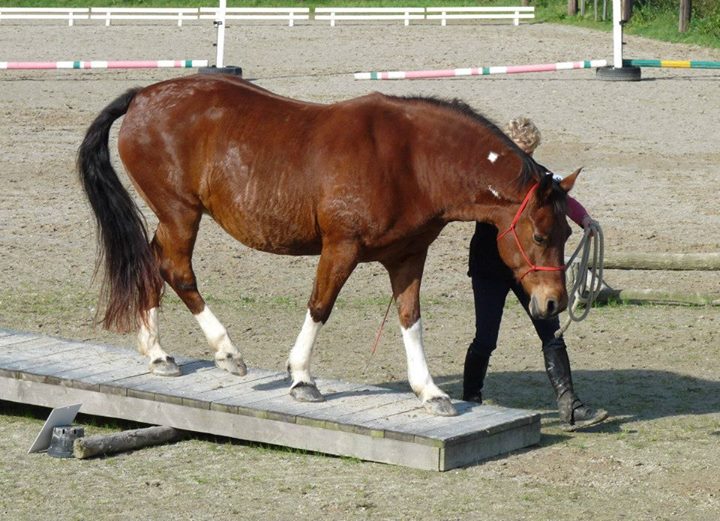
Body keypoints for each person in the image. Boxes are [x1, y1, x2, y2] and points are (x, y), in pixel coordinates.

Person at [463, 117, 608, 431]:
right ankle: (470, 398)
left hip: (530, 268)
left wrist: (585, 221)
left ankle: (570, 405)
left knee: (551, 333)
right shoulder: (488, 170)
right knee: (485, 339)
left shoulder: (541, 177)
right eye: (521, 152)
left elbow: (564, 199)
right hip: (490, 266)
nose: (525, 159)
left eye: (530, 152)